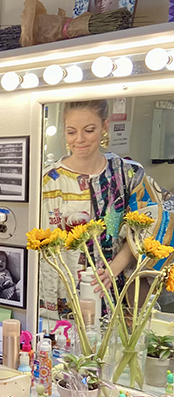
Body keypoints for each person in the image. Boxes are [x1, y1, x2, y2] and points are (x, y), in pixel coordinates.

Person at [40, 98, 174, 320]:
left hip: (114, 290)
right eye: (71, 132)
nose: (79, 139)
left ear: (104, 126)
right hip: (57, 292)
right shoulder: (46, 181)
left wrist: (114, 269)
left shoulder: (127, 174)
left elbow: (157, 219)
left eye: (89, 130)